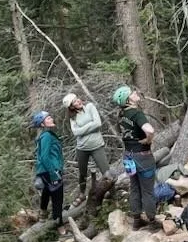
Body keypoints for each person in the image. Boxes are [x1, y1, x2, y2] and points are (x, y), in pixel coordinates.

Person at [112, 86, 161, 231]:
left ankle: (137, 220)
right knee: (147, 190)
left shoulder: (121, 115)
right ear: (127, 100)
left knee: (134, 187)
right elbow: (150, 130)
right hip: (143, 157)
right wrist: (148, 139)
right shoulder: (137, 114)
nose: (135, 93)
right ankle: (152, 221)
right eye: (132, 93)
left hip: (128, 156)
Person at [63, 92, 111, 198]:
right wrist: (91, 124)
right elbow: (76, 132)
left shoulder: (90, 107)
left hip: (97, 145)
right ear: (71, 107)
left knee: (106, 172)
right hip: (82, 148)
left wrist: (83, 129)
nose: (78, 101)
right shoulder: (73, 117)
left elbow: (98, 123)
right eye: (74, 101)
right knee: (82, 174)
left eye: (77, 98)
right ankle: (82, 194)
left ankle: (113, 193)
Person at [31, 111, 65, 226]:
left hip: (47, 171)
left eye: (50, 117)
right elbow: (44, 157)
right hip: (51, 170)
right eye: (48, 118)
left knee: (47, 191)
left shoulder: (46, 135)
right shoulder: (46, 136)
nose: (51, 119)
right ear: (42, 124)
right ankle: (60, 230)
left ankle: (43, 215)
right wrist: (54, 173)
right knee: (57, 199)